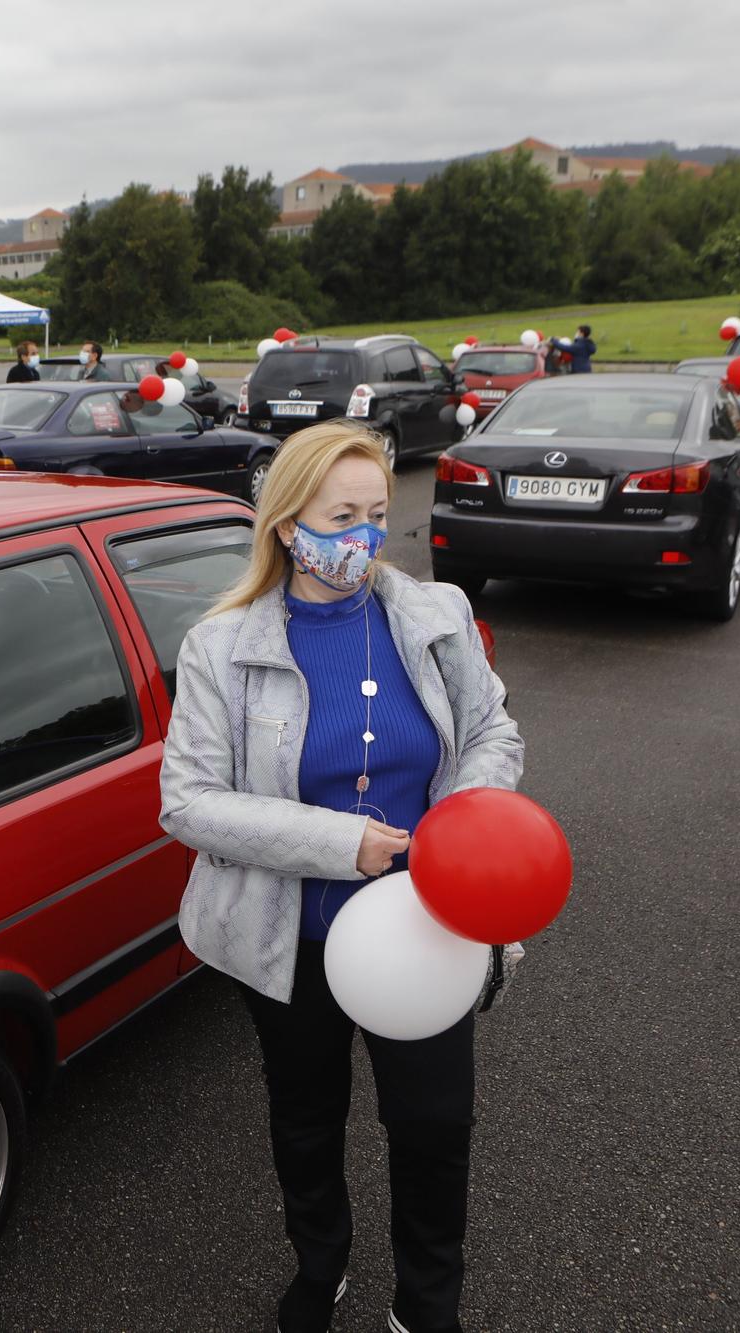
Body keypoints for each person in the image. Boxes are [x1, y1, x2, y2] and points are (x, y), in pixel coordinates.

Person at [159, 421, 523, 1333]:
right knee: (307, 1122)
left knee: (435, 1127)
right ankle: (321, 1266)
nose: (361, 536)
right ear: (287, 525)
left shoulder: (434, 619)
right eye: (339, 516)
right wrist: (339, 842)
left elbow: (493, 735)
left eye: (375, 514)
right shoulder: (221, 648)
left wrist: (457, 818)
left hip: (427, 933)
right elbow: (190, 803)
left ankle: (425, 1303)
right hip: (294, 941)